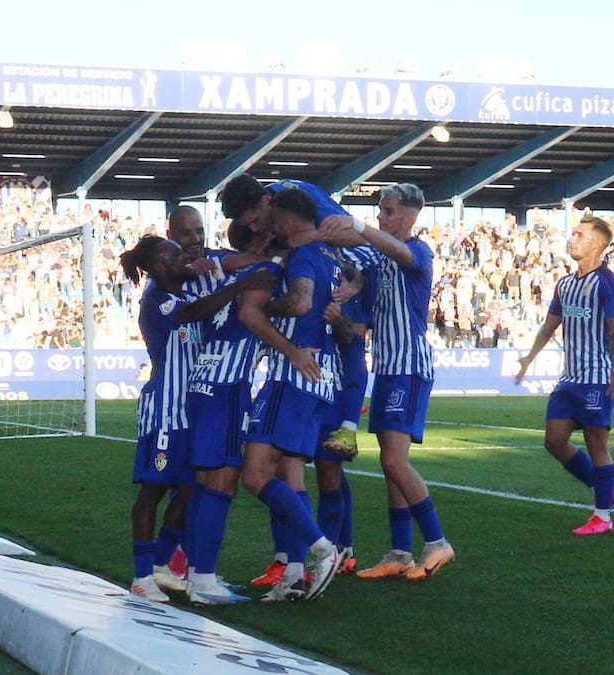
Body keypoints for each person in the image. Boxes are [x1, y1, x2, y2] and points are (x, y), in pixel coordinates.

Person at [320, 183, 454, 581]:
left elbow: (395, 250)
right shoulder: (377, 264)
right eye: (380, 211)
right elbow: (360, 324)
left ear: (411, 215)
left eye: (390, 211)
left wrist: (357, 225)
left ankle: (436, 542)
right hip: (388, 368)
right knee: (391, 464)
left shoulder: (419, 251)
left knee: (394, 461)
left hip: (409, 366)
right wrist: (342, 309)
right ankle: (399, 552)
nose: (383, 217)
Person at [119, 235, 252, 603]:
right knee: (153, 491)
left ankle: (162, 565)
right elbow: (193, 315)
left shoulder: (187, 294)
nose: (182, 259)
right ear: (160, 265)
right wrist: (239, 285)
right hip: (164, 410)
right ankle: (141, 576)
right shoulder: (156, 300)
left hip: (192, 410)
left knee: (190, 489)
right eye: (174, 255)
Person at [237, 188, 343, 602]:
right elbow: (349, 283)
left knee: (255, 475)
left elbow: (299, 304)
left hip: (293, 374)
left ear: (288, 218)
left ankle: (322, 550)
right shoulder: (330, 256)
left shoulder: (302, 256)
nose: (271, 225)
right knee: (290, 475)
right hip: (320, 377)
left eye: (275, 217)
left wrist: (264, 307)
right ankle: (295, 572)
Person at [181, 220, 280, 605]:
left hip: (202, 383)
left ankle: (196, 574)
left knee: (205, 484)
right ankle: (204, 581)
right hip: (228, 387)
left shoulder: (225, 274)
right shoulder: (265, 273)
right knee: (222, 484)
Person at [514, 215, 614, 535]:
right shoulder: (565, 284)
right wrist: (528, 359)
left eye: (579, 234)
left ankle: (602, 517)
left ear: (598, 245)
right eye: (573, 233)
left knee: (596, 444)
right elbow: (550, 325)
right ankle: (602, 486)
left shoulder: (606, 283)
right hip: (569, 379)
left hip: (596, 377)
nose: (572, 239)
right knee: (554, 440)